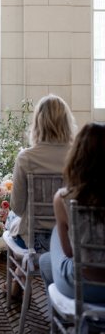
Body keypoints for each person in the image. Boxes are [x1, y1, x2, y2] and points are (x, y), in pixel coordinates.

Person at [39, 122, 105, 304]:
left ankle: (65, 322)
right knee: (45, 261)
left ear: (78, 156)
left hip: (84, 286)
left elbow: (68, 252)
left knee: (47, 258)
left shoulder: (65, 198)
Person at [9, 94, 75, 252]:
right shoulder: (77, 155)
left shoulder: (26, 157)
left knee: (11, 218)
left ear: (38, 122)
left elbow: (17, 207)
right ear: (67, 122)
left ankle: (24, 268)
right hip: (70, 238)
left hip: (35, 240)